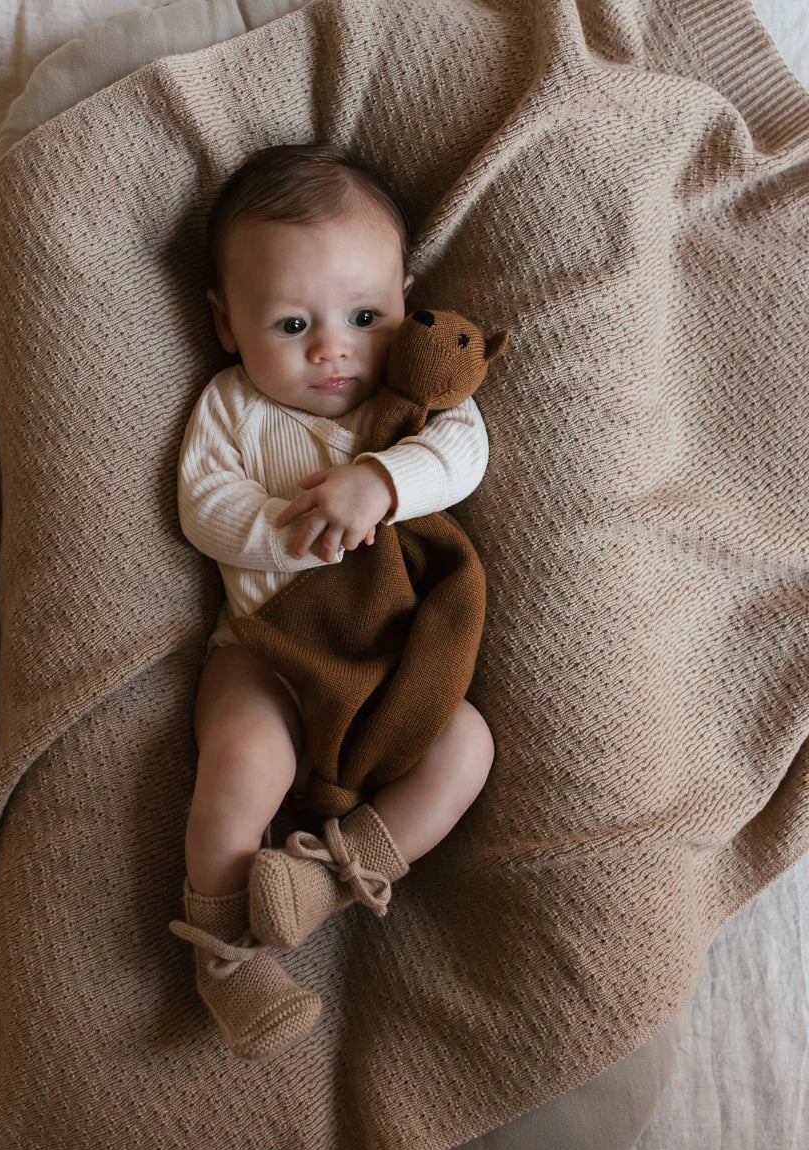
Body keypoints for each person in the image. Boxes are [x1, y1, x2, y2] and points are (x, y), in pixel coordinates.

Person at [169, 143, 496, 1061]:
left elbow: (463, 453)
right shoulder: (232, 406)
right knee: (238, 765)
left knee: (468, 747)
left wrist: (381, 484)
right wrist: (290, 527)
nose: (332, 348)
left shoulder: (411, 399)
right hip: (266, 653)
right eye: (289, 324)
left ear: (404, 296)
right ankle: (227, 960)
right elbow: (203, 506)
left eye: (364, 314)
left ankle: (334, 874)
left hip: (392, 669)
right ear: (227, 323)